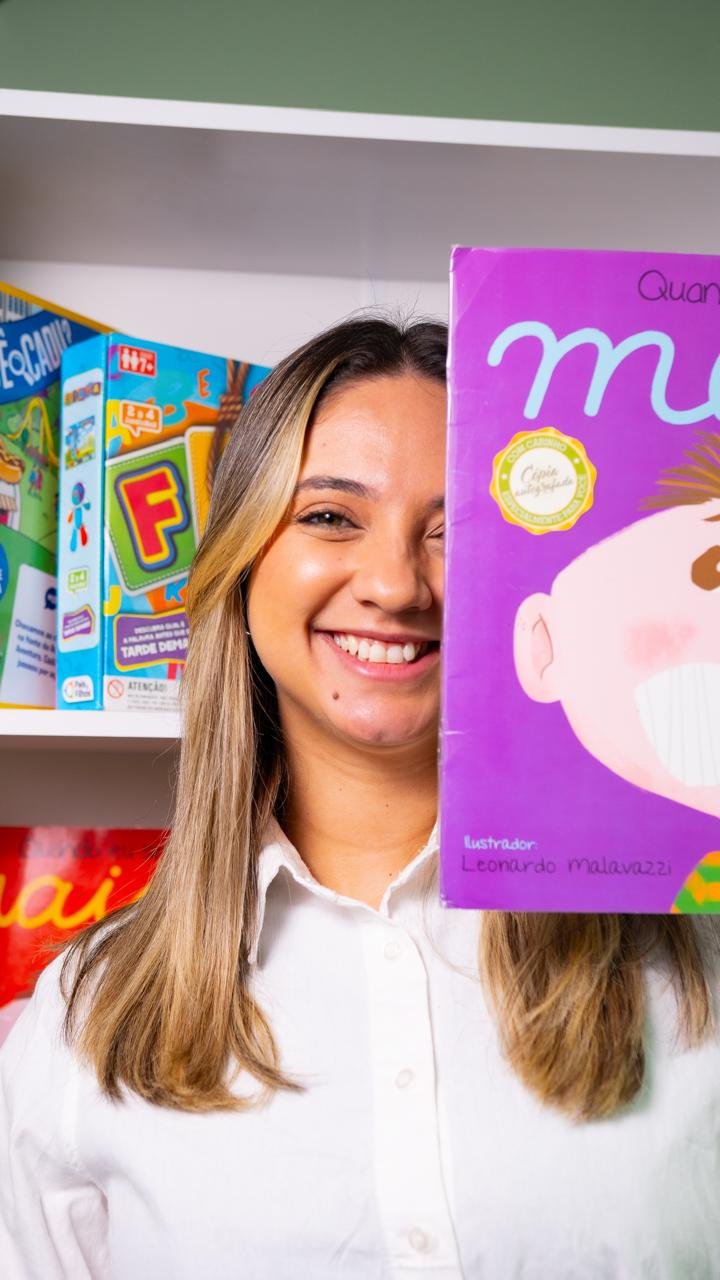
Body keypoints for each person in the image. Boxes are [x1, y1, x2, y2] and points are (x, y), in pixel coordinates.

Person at [1, 316, 720, 1280]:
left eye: (456, 528)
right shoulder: (83, 1018)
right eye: (331, 517)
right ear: (240, 565)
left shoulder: (697, 959)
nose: (394, 584)